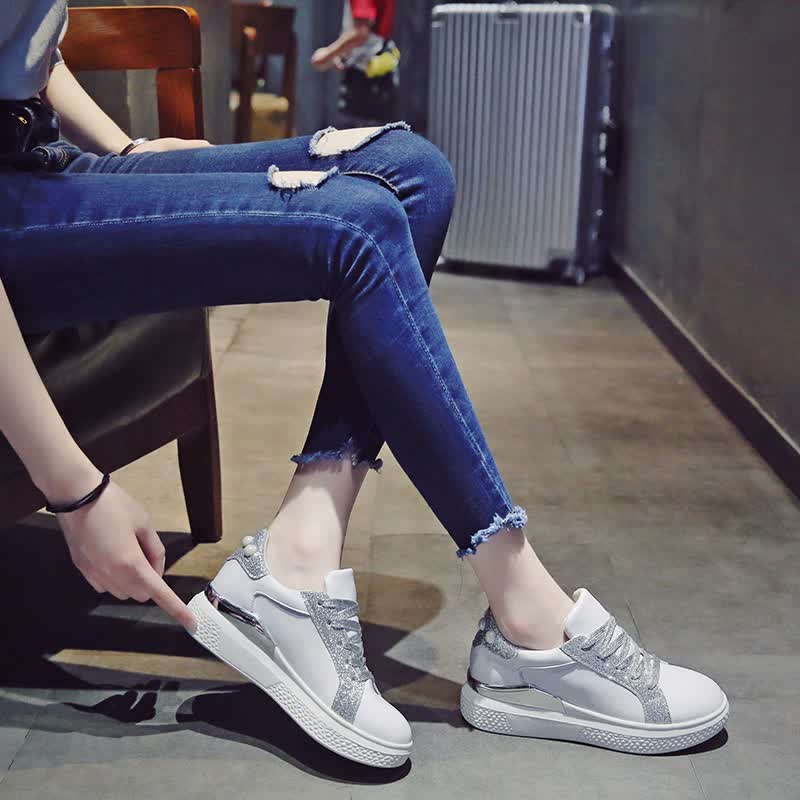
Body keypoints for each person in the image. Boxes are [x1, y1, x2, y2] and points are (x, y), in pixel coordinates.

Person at [0, 0, 729, 771]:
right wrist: (74, 490)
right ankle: (529, 618)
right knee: (359, 225)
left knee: (414, 171)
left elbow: (30, 42)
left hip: (42, 158)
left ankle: (298, 555)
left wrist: (126, 148)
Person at [311, 0, 400, 127]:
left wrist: (327, 54)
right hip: (378, 70)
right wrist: (343, 56)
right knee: (378, 133)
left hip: (365, 79)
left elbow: (361, 32)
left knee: (360, 134)